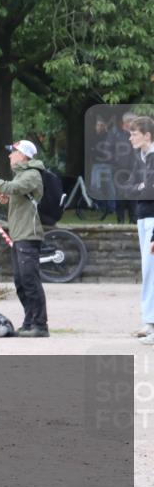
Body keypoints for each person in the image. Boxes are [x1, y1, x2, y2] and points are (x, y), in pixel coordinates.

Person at [0, 140, 49, 337]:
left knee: (30, 281)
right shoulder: (22, 175)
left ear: (23, 155)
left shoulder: (32, 174)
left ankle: (40, 325)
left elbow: (11, 187)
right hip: (18, 236)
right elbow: (14, 192)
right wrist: (5, 198)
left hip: (28, 235)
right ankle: (29, 321)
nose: (10, 156)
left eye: (13, 152)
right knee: (20, 282)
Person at [121, 117, 154, 344]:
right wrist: (140, 188)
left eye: (134, 133)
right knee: (147, 271)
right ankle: (149, 320)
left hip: (152, 218)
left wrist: (141, 188)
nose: (130, 137)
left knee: (150, 271)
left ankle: (151, 321)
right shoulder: (142, 159)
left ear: (147, 135)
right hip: (143, 217)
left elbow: (149, 190)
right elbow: (129, 189)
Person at [114, 112, 140, 224]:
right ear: (126, 123)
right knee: (120, 196)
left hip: (133, 170)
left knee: (133, 196)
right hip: (119, 170)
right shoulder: (116, 134)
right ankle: (120, 219)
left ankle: (133, 219)